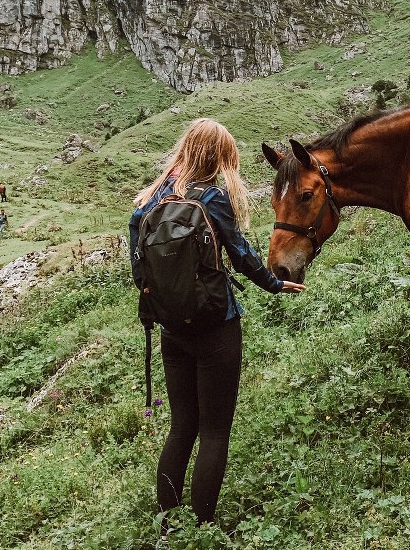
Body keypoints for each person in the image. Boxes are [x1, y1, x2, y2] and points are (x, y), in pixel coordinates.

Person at [129, 118, 304, 526]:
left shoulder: (149, 201)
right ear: (220, 158)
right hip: (216, 326)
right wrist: (274, 284)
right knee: (214, 431)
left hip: (172, 330)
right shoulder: (212, 197)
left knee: (181, 428)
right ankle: (204, 527)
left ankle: (167, 527)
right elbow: (240, 255)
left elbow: (140, 272)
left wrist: (170, 304)